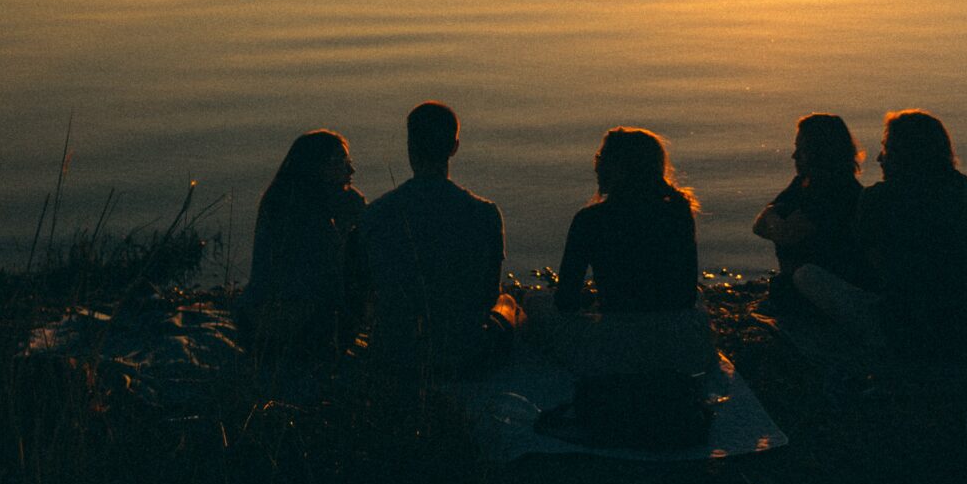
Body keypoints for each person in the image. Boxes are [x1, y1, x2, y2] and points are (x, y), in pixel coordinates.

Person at [793, 109, 967, 366]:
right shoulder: (962, 188)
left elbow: (873, 267)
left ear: (901, 153)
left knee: (805, 275)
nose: (878, 158)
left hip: (905, 329)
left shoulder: (879, 199)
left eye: (886, 148)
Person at [530, 127, 714, 378]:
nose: (596, 167)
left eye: (600, 159)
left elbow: (565, 301)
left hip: (618, 348)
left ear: (616, 168)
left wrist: (594, 298)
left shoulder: (590, 220)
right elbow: (685, 292)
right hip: (683, 347)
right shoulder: (679, 212)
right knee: (699, 296)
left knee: (534, 302)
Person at [355, 101, 518, 377]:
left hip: (394, 355)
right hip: (464, 357)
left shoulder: (376, 214)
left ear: (410, 146)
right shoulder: (485, 214)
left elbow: (363, 288)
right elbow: (488, 293)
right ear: (455, 147)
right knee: (509, 304)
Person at [239, 129, 366, 378]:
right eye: (341, 162)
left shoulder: (277, 199)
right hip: (297, 329)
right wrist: (354, 216)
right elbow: (331, 275)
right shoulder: (313, 215)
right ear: (318, 167)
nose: (350, 171)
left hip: (250, 325)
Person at [752, 113, 873, 309]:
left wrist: (774, 219)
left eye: (801, 149)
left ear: (820, 152)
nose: (794, 156)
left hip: (834, 282)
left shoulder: (838, 191)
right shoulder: (803, 184)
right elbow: (759, 226)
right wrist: (776, 220)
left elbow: (785, 233)